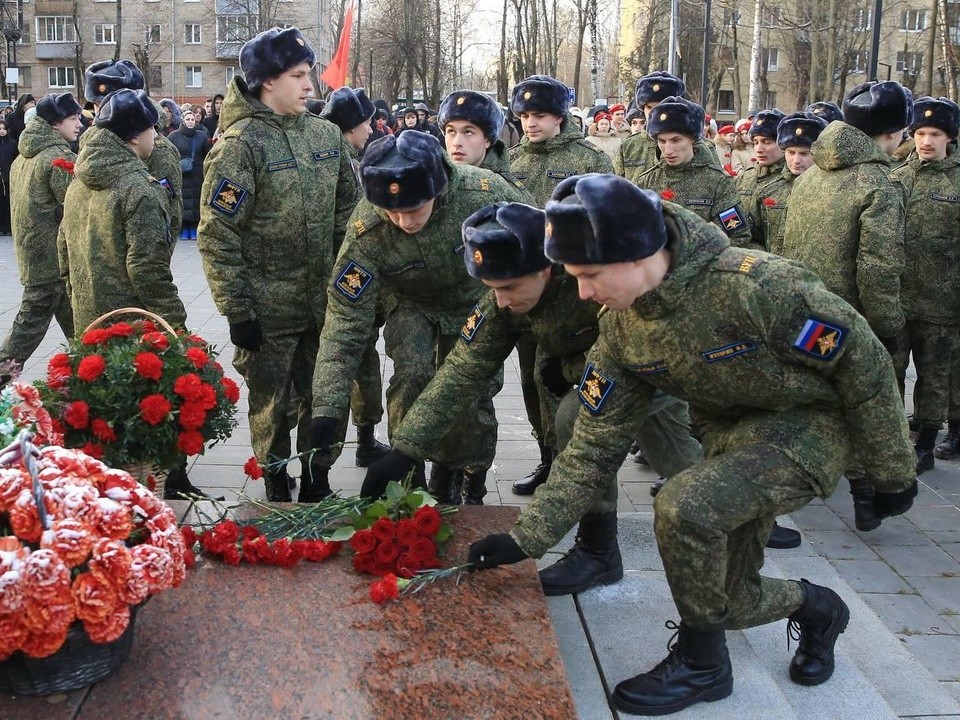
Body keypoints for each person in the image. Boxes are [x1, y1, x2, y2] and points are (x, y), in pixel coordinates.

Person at [466, 174, 918, 716]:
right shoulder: (622, 329)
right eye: (573, 277)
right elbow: (593, 444)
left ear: (636, 254)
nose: (583, 293)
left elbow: (863, 365)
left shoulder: (757, 289)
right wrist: (526, 540)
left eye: (590, 275)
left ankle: (704, 668)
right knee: (728, 600)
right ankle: (819, 608)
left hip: (809, 429)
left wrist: (893, 472)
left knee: (685, 506)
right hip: (730, 440)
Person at [363, 200, 700, 594]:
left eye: (508, 288)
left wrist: (574, 370)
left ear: (544, 268)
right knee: (575, 423)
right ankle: (600, 549)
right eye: (493, 289)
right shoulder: (508, 287)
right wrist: (406, 449)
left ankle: (737, 517)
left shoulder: (594, 278)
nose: (501, 300)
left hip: (648, 363)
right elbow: (462, 369)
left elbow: (631, 343)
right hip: (600, 362)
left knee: (664, 452)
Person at [307, 130, 528, 505]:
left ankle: (464, 474)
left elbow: (538, 249)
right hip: (411, 302)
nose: (404, 221)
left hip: (475, 300)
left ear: (438, 189)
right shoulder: (367, 230)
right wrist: (326, 409)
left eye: (414, 209)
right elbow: (345, 322)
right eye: (393, 211)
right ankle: (408, 475)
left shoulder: (488, 194)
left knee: (468, 393)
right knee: (411, 375)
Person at [198, 26, 357, 502]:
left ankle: (318, 478)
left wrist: (357, 291)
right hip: (268, 311)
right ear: (268, 81)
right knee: (271, 406)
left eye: (309, 74)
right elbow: (217, 233)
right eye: (299, 75)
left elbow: (350, 221)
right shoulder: (240, 145)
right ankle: (276, 480)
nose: (310, 85)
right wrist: (238, 310)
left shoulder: (327, 136)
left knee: (326, 396)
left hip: (325, 305)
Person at [782, 80, 911, 528]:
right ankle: (867, 493)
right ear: (893, 134)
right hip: (850, 318)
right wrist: (888, 325)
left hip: (804, 312)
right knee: (858, 399)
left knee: (812, 398)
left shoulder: (811, 174)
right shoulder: (879, 184)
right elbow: (878, 268)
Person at [509, 74, 614, 495]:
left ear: (559, 117)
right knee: (531, 381)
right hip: (525, 291)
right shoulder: (512, 161)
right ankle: (547, 457)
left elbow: (609, 221)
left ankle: (577, 464)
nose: (530, 124)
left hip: (573, 294)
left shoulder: (590, 160)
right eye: (524, 116)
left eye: (539, 115)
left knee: (565, 379)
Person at [320, 86, 392, 468]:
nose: (371, 130)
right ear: (352, 126)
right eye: (367, 123)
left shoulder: (329, 155)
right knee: (360, 362)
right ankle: (362, 439)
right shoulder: (344, 162)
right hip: (350, 282)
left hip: (334, 278)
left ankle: (357, 440)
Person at [889, 97, 960, 474]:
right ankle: (895, 437)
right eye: (919, 133)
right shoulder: (897, 175)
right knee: (893, 370)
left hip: (942, 302)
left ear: (950, 137)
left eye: (935, 134)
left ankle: (927, 443)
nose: (926, 141)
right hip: (898, 298)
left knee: (934, 377)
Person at [0, 93, 82, 374]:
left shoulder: (23, 157)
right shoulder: (57, 158)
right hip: (52, 262)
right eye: (73, 118)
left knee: (82, 329)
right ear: (56, 123)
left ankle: (93, 380)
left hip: (35, 255)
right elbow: (76, 205)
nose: (79, 124)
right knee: (28, 329)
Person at [635, 95, 755, 248]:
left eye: (676, 140)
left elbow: (738, 237)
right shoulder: (645, 181)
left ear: (692, 139)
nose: (668, 150)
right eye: (662, 141)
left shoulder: (717, 182)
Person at [83, 60, 184, 240]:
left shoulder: (157, 149)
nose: (99, 115)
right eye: (96, 106)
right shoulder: (93, 142)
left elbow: (169, 218)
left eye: (102, 105)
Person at [755, 111, 828, 255]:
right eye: (791, 152)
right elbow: (752, 236)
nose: (796, 160)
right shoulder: (767, 189)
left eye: (804, 154)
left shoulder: (830, 190)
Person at [614, 71, 685, 183]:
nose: (654, 112)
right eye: (649, 107)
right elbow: (613, 186)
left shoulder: (695, 146)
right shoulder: (629, 146)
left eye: (660, 106)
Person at [737, 109, 786, 249]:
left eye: (767, 142)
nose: (759, 149)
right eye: (755, 142)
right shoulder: (745, 178)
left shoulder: (794, 181)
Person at [166, 109, 210, 241]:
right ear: (183, 121)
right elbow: (169, 153)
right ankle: (184, 227)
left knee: (196, 200)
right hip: (181, 174)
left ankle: (194, 226)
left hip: (197, 174)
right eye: (188, 119)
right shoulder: (174, 136)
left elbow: (208, 153)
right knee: (183, 200)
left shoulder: (201, 135)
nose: (190, 122)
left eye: (192, 119)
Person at [0, 119, 16, 235]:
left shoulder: (12, 143)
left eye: (3, 129)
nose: (1, 131)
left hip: (9, 177)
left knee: (8, 203)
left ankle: (8, 227)